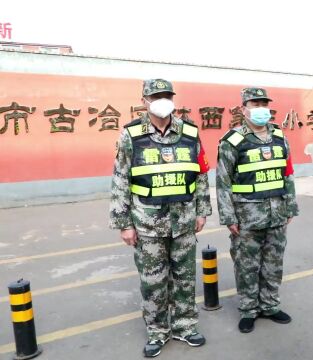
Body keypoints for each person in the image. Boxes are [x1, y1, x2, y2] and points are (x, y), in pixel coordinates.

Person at [109, 79, 212, 357]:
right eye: (156, 96)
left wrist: (202, 210)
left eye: (167, 95)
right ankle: (157, 331)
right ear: (144, 100)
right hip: (147, 222)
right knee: (153, 281)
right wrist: (124, 224)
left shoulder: (189, 132)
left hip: (184, 219)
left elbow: (201, 174)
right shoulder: (131, 134)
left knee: (186, 277)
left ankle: (185, 326)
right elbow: (120, 179)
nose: (162, 100)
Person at [216, 87, 299, 333]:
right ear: (244, 108)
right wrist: (228, 216)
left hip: (277, 213)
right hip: (246, 217)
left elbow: (288, 173)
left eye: (264, 103)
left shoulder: (279, 136)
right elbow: (222, 182)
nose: (260, 108)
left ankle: (270, 305)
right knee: (246, 265)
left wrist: (291, 205)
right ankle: (248, 310)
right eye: (255, 103)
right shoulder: (233, 141)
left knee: (273, 263)